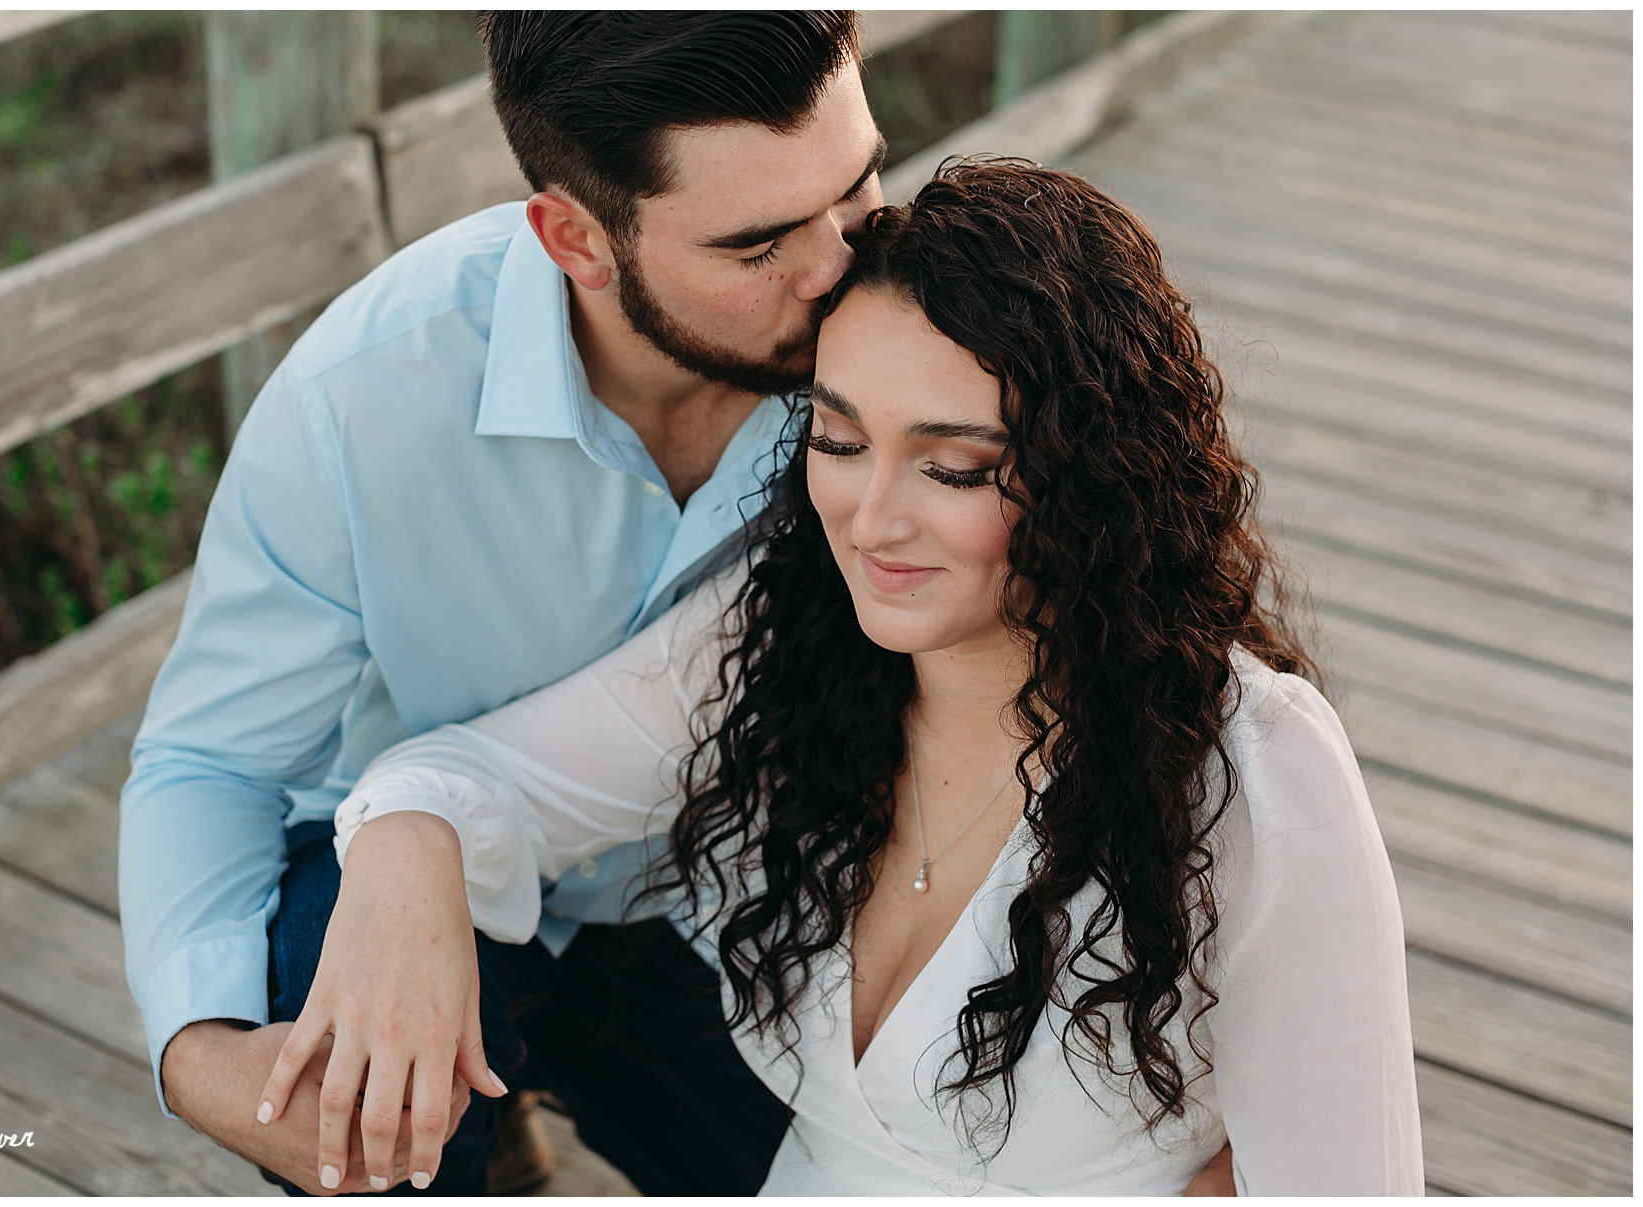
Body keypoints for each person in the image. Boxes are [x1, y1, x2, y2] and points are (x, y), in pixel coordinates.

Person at [265, 160, 1425, 1194]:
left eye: (955, 465)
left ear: (1094, 477)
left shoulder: (1257, 776)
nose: (871, 519)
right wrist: (407, 841)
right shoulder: (786, 639)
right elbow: (477, 778)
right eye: (839, 437)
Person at [120, 12, 884, 1196]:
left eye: (859, 184)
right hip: (391, 887)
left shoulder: (906, 350)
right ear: (577, 239)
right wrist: (195, 1050)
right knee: (351, 1115)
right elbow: (211, 762)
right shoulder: (359, 401)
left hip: (731, 889)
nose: (837, 269)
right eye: (758, 243)